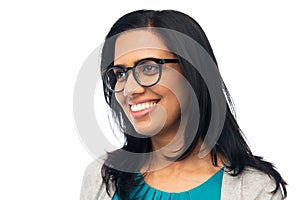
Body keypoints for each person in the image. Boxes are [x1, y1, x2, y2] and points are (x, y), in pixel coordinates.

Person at [80, 9, 287, 200]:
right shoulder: (101, 177)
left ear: (193, 71)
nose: (130, 89)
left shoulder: (255, 189)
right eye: (120, 73)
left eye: (149, 68)